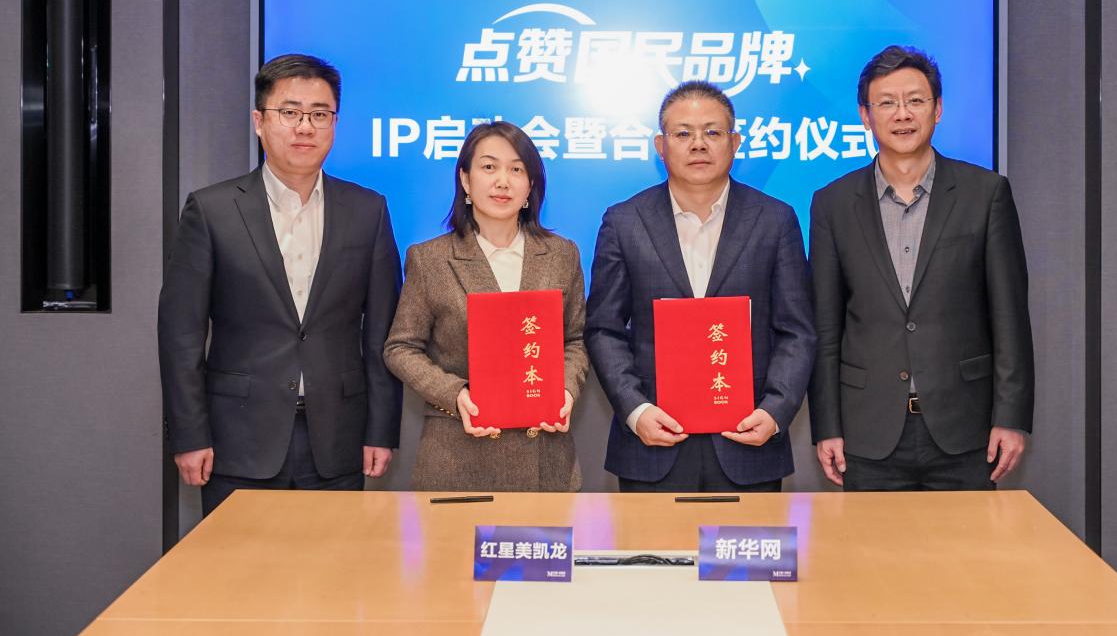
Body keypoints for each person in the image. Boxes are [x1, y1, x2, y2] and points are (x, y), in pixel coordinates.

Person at [158, 54, 403, 515]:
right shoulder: (211, 211)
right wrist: (190, 434)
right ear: (259, 121)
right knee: (239, 561)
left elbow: (381, 334)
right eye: (290, 112)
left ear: (334, 124)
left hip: (338, 438)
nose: (305, 127)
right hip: (237, 438)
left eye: (320, 114)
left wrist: (381, 429)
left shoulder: (367, 211)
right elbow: (181, 335)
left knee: (332, 560)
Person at [808, 45, 1035, 491]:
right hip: (867, 431)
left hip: (965, 428)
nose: (902, 114)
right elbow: (826, 326)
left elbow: (1009, 316)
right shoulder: (832, 204)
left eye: (915, 100)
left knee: (967, 540)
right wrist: (826, 425)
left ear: (938, 109)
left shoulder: (985, 194)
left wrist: (1011, 417)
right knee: (871, 541)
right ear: (865, 116)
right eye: (886, 103)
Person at [586, 81, 815, 492]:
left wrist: (775, 411)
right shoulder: (623, 222)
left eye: (712, 131)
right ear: (661, 146)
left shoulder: (775, 220)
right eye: (683, 133)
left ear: (735, 143)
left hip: (749, 443)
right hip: (651, 447)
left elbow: (796, 330)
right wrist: (636, 410)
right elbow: (603, 329)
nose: (698, 144)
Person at [383, 121, 588, 491]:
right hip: (457, 459)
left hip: (545, 459)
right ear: (465, 180)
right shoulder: (430, 259)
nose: (503, 182)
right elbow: (400, 348)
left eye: (516, 169)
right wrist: (456, 393)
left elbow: (575, 340)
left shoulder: (562, 255)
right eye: (489, 167)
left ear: (531, 185)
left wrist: (565, 391)